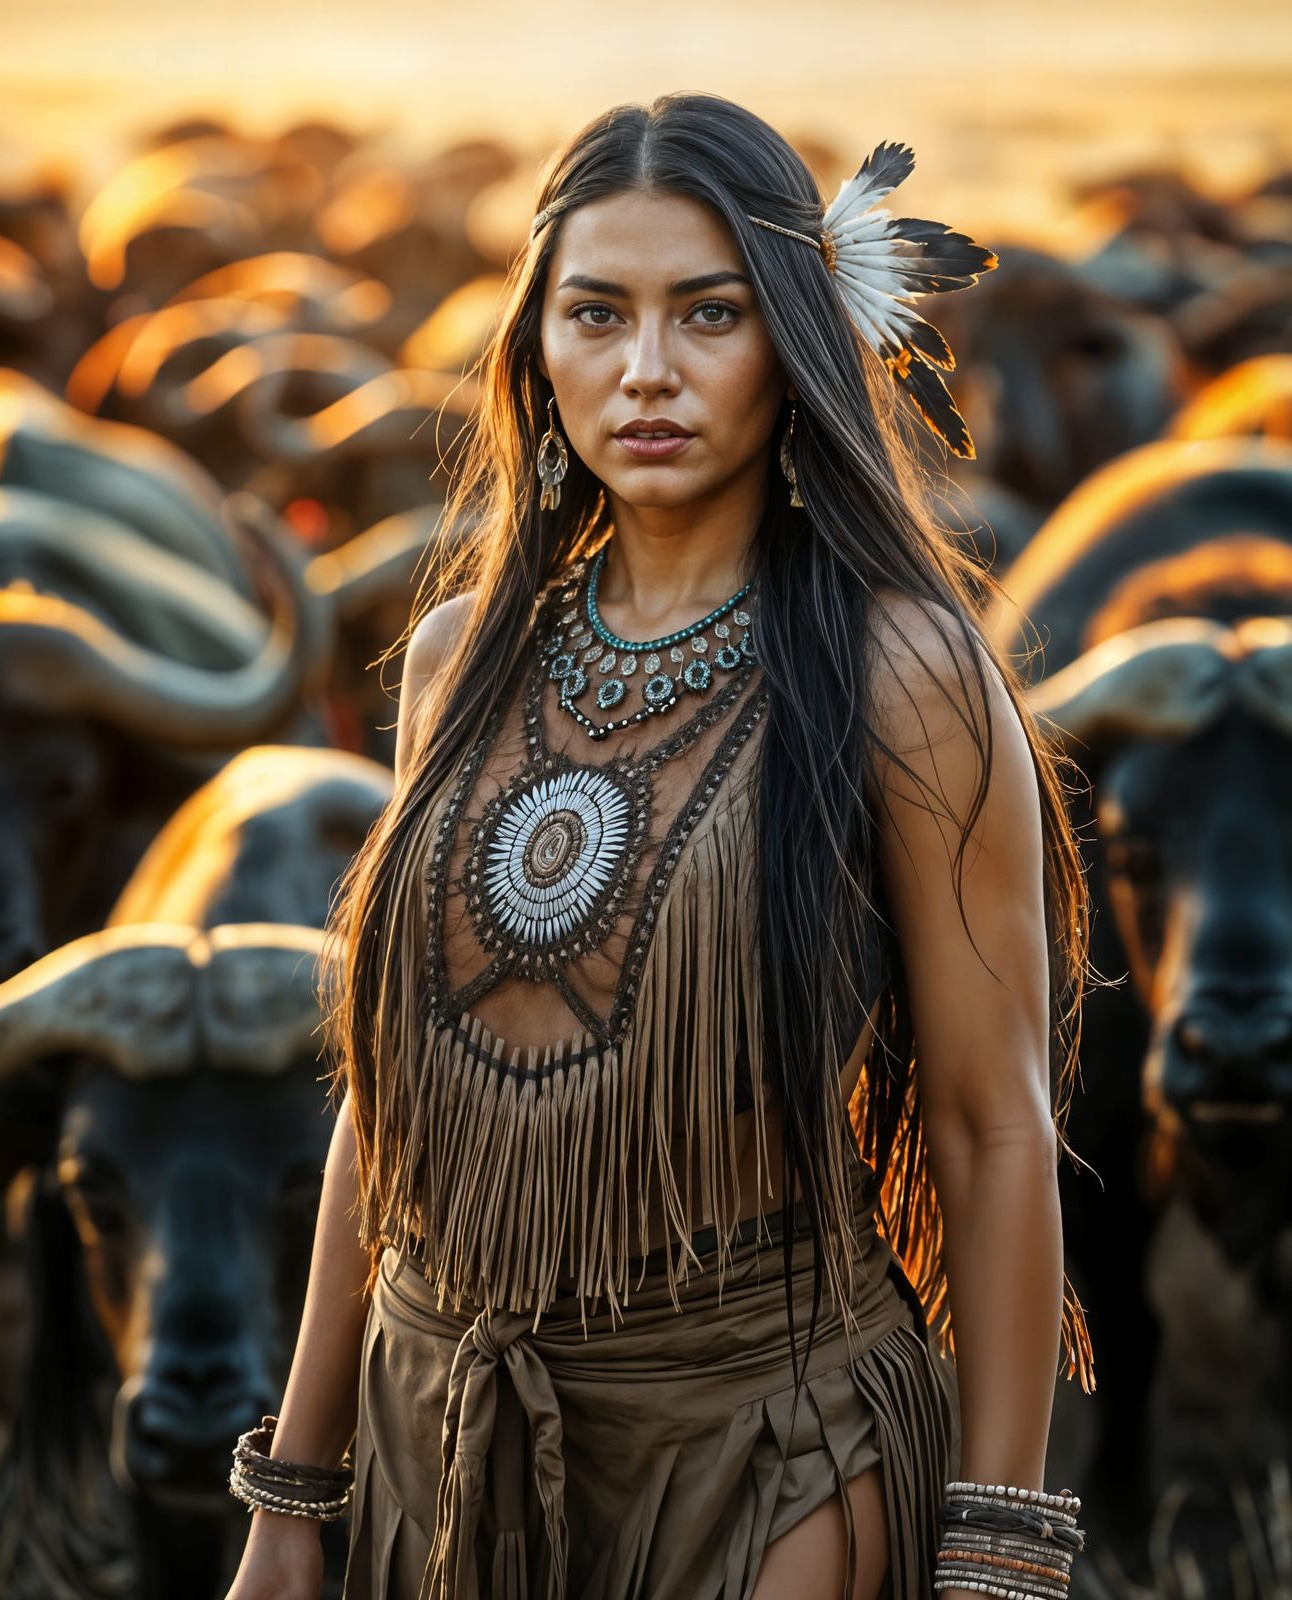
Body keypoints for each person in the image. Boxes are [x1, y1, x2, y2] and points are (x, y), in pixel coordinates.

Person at [224, 91, 1096, 1600]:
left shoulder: (903, 674)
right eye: (596, 313)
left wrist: (995, 1550)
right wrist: (293, 1494)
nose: (645, 369)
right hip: (438, 1432)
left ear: (797, 337)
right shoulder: (456, 658)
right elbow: (391, 1100)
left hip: (763, 1442)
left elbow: (990, 1122)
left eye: (710, 313)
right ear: (535, 347)